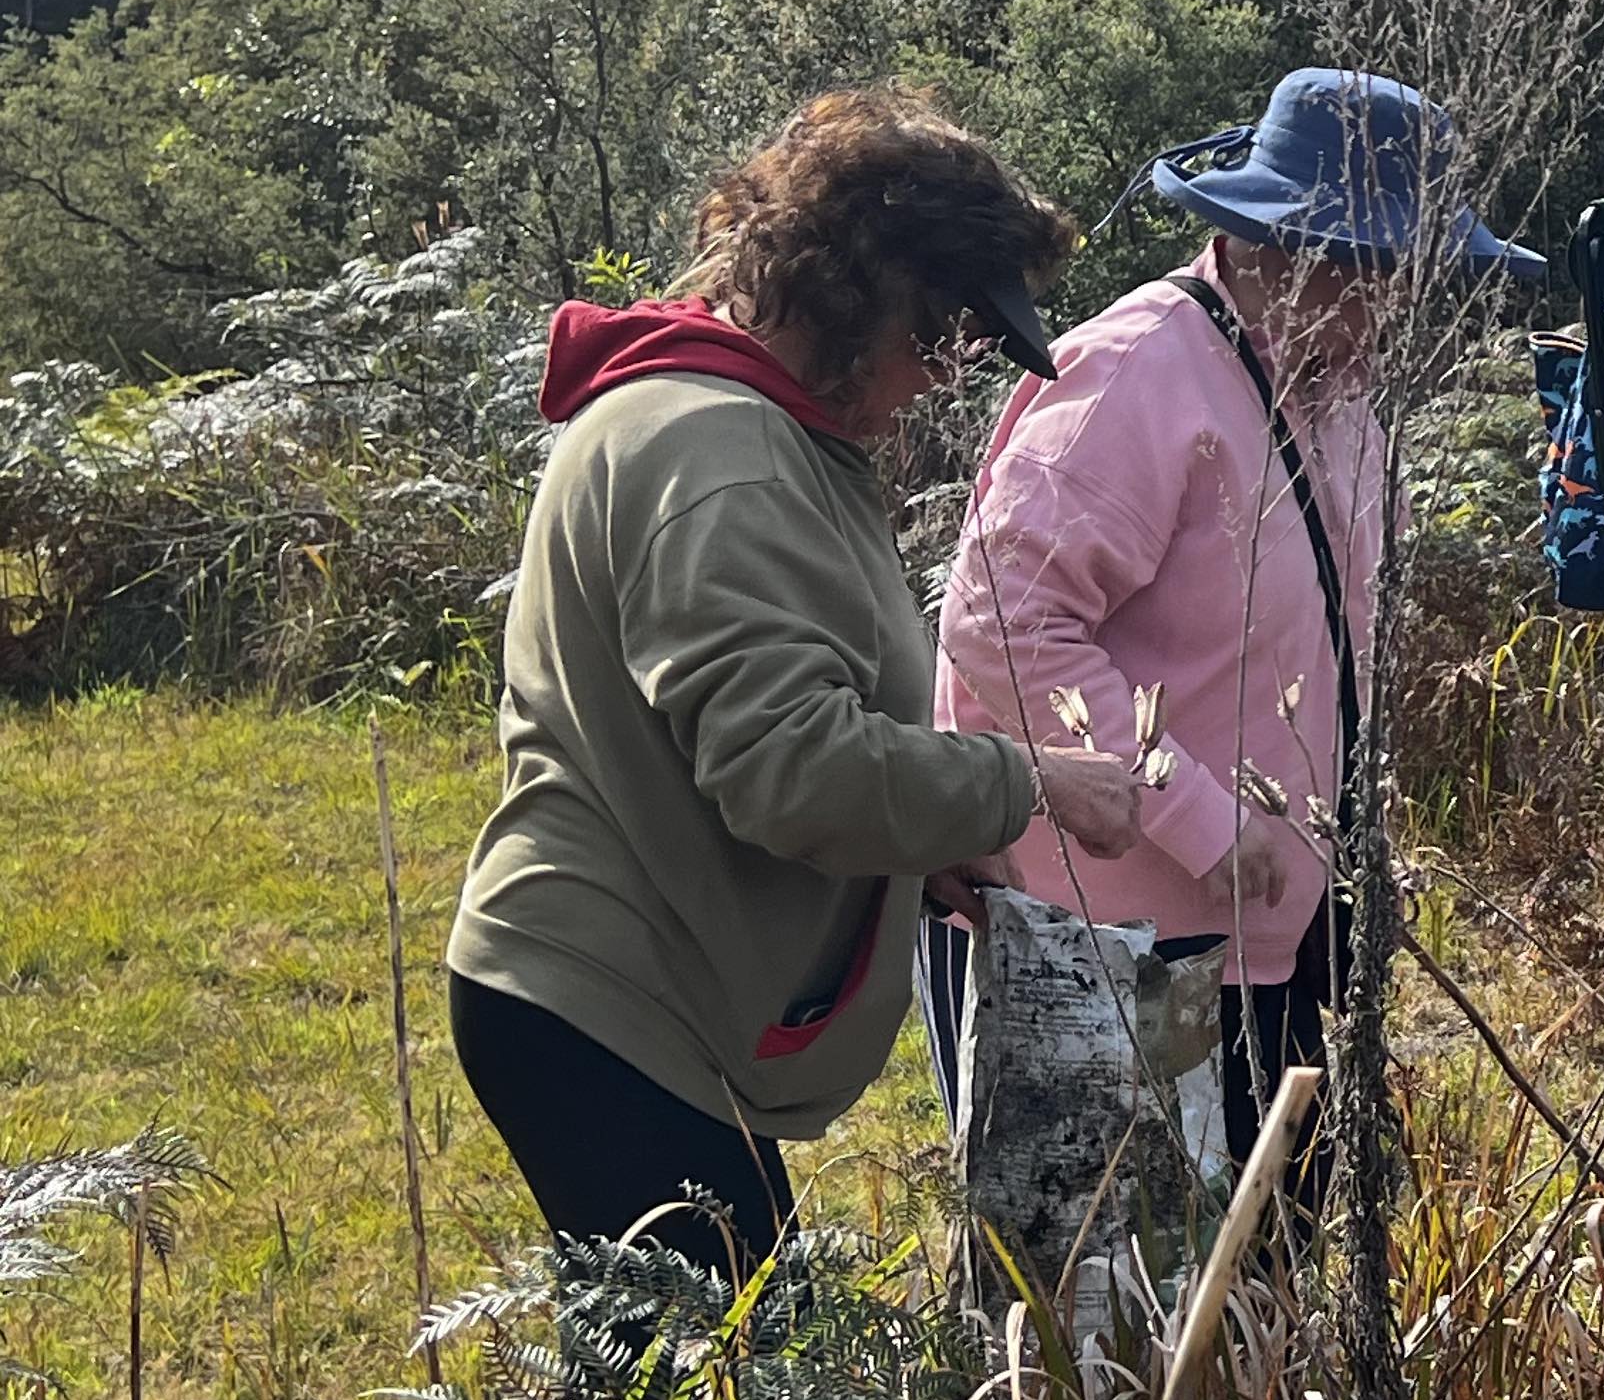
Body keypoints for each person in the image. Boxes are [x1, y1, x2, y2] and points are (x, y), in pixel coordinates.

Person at [447, 88, 1149, 1278]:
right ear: (847, 285)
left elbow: (780, 715)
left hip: (631, 1001)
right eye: (940, 336)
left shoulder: (755, 430)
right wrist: (1025, 783)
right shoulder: (717, 451)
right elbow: (791, 771)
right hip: (608, 1002)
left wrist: (930, 853)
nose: (945, 378)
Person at [930, 70, 1541, 1180]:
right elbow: (1007, 628)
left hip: (1274, 925)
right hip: (1126, 941)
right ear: (1305, 254)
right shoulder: (1139, 375)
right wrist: (1206, 820)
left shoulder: (1329, 388)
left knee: (1266, 1262)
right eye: (1391, 273)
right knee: (1129, 1281)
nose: (1401, 304)